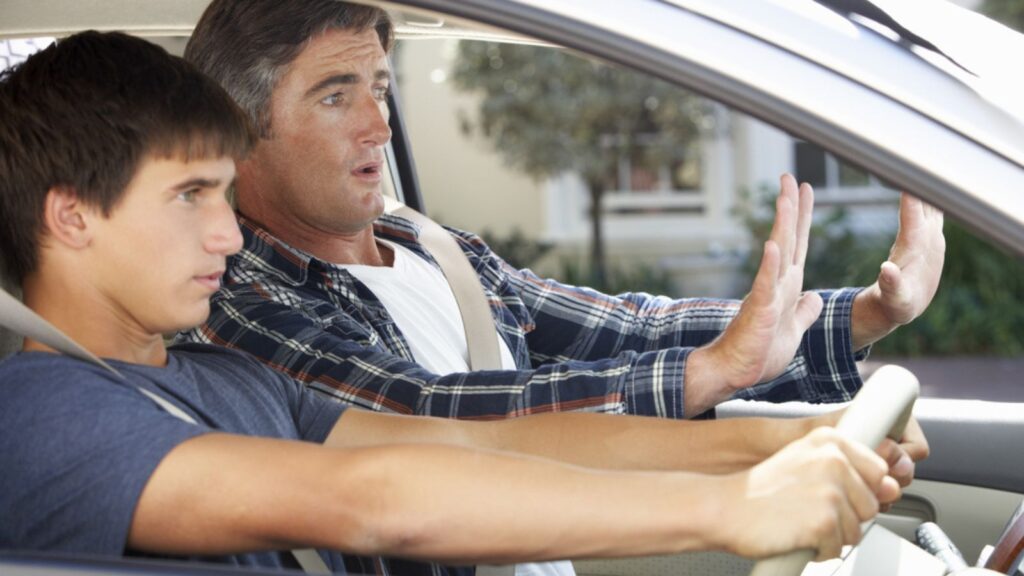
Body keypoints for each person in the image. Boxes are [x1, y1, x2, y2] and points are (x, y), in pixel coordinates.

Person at [0, 30, 920, 576]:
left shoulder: (223, 377)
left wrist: (784, 439)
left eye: (222, 193)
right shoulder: (42, 419)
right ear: (71, 217)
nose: (230, 236)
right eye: (191, 196)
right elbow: (368, 500)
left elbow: (478, 438)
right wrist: (730, 509)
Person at [178, 0, 946, 423]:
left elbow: (623, 328)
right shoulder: (239, 300)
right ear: (238, 128)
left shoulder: (428, 245)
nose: (378, 125)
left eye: (379, 88)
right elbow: (432, 416)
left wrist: (866, 316)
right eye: (335, 94)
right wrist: (705, 375)